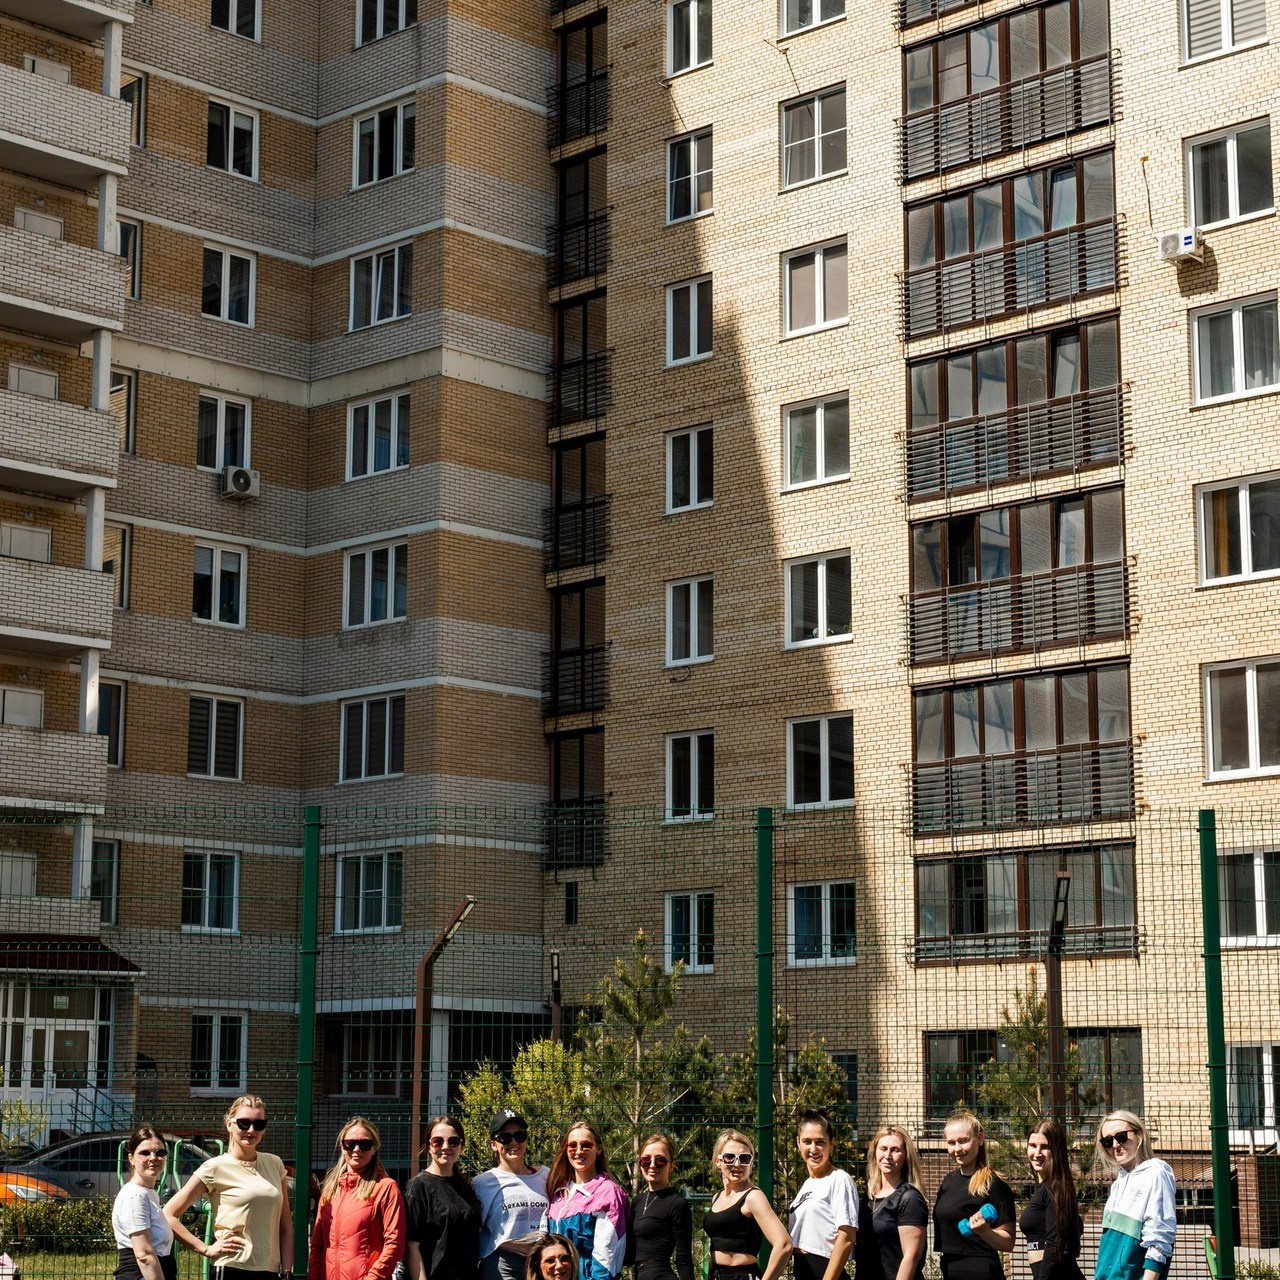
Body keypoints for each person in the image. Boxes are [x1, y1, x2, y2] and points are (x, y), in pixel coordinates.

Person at [165, 1094, 291, 1280]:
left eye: (259, 1124)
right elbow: (168, 1215)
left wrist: (287, 1271)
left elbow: (286, 1225)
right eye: (244, 1123)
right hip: (232, 1267)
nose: (251, 1130)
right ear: (229, 1124)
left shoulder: (275, 1164)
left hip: (270, 1270)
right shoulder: (214, 1167)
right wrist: (205, 1249)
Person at [115, 1125, 238, 1280]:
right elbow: (144, 1256)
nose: (153, 1158)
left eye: (160, 1152)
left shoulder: (148, 1193)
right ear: (131, 1158)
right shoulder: (134, 1196)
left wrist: (206, 1249)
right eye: (145, 1153)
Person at [308, 1117, 406, 1280]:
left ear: (374, 1148)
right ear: (342, 1146)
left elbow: (394, 1244)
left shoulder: (386, 1187)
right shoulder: (330, 1191)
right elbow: (318, 1245)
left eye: (365, 1144)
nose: (357, 1149)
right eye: (350, 1143)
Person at [932, 1112, 1014, 1280]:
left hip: (981, 1271)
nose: (957, 1149)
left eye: (963, 1140)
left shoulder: (993, 1184)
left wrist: (985, 1232)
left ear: (980, 1139)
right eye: (951, 1143)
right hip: (949, 1267)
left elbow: (1008, 1243)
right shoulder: (948, 1181)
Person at [1094, 1112, 1176, 1280]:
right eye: (1107, 1141)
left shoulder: (1156, 1173)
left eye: (1121, 1137)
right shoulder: (1118, 1183)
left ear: (1139, 1136)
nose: (1115, 1145)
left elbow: (1159, 1240)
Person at [544, 1121, 629, 1280]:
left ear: (598, 1149)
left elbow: (606, 1256)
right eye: (572, 1145)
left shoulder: (608, 1192)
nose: (578, 1151)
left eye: (586, 1145)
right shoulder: (558, 1192)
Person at [703, 1129, 792, 1280]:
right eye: (729, 1157)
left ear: (751, 1163)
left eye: (744, 1158)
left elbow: (784, 1244)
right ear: (717, 1161)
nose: (737, 1164)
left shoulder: (753, 1197)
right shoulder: (717, 1197)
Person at [475, 1110, 550, 1280]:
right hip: (503, 1265)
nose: (514, 1142)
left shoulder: (545, 1176)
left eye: (519, 1136)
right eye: (505, 1138)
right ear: (493, 1144)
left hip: (541, 1263)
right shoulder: (483, 1183)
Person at [405, 1116, 482, 1280]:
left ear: (461, 1146)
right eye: (437, 1141)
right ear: (428, 1146)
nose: (446, 1147)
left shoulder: (466, 1185)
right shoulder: (418, 1186)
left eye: (453, 1141)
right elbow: (412, 1247)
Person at [787, 1110, 857, 1280]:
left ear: (831, 1144)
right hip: (803, 1269)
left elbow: (847, 1236)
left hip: (826, 1272)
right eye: (807, 1141)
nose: (813, 1149)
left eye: (820, 1142)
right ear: (798, 1143)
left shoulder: (840, 1179)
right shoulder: (807, 1184)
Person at [856, 1126, 928, 1280]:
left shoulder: (910, 1198)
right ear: (875, 1152)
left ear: (906, 1155)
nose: (887, 1155)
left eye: (895, 1150)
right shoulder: (869, 1196)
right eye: (883, 1149)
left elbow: (911, 1256)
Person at [1021, 1119, 1084, 1280]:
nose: (1037, 1153)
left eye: (1045, 1147)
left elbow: (1055, 1243)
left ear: (1057, 1150)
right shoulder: (1048, 1187)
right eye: (1032, 1145)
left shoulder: (1055, 1187)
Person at [629, 1134, 693, 1280]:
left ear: (672, 1165)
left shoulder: (676, 1203)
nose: (652, 1165)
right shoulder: (638, 1201)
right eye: (646, 1160)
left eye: (660, 1160)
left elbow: (683, 1257)